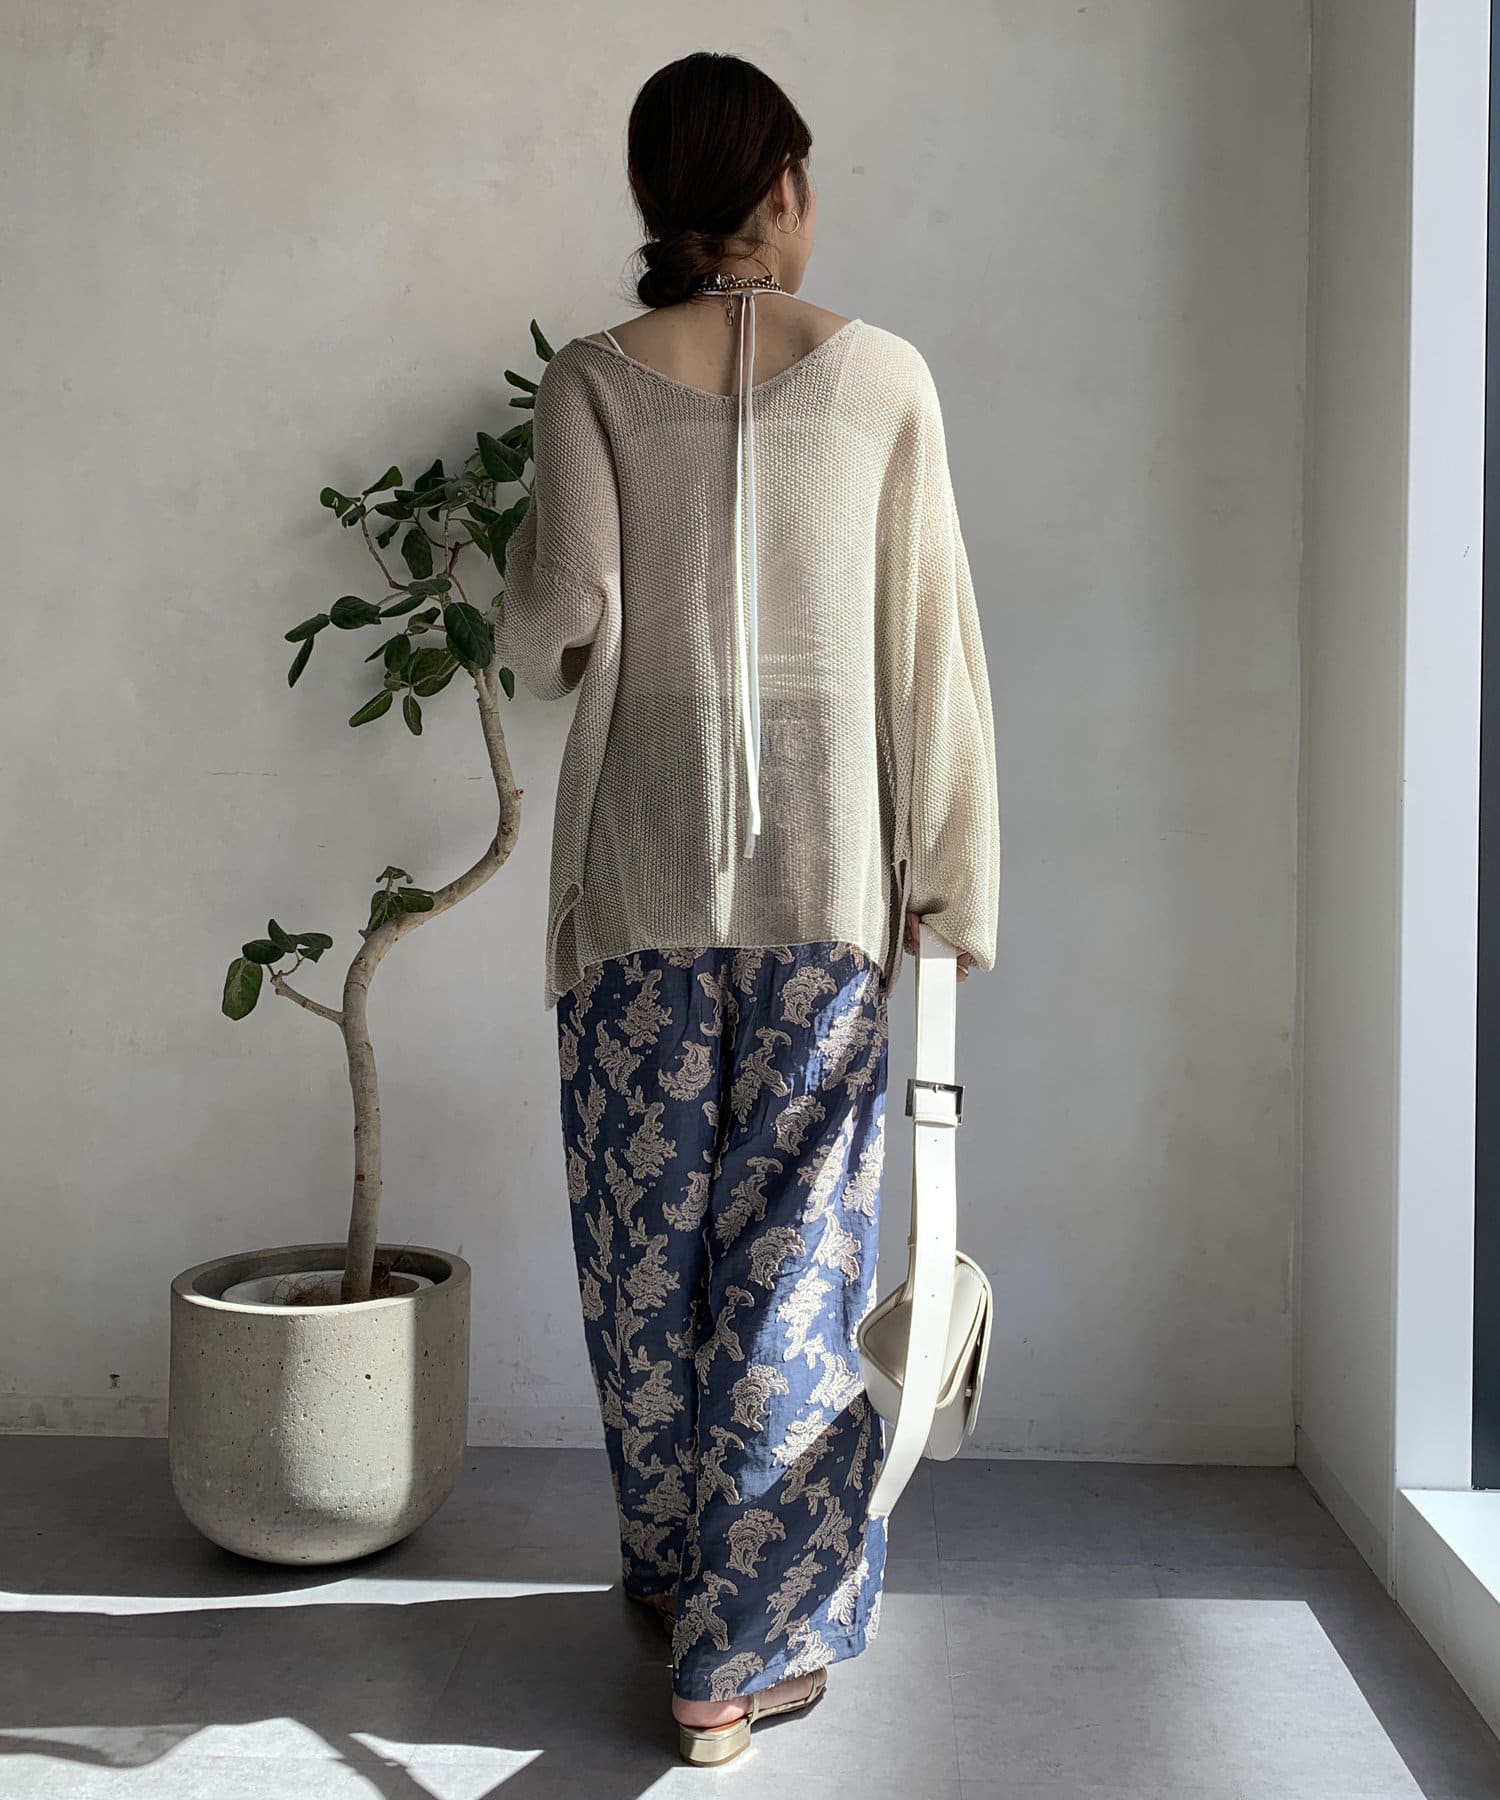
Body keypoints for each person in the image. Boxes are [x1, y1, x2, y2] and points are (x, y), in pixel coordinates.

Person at [497, 49, 1000, 1768]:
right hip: (827, 893)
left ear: (657, 197)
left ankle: (674, 1582)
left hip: (633, 884)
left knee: (647, 1260)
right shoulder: (884, 379)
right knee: (793, 1261)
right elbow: (933, 652)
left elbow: (555, 631)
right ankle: (741, 1642)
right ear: (781, 185)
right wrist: (952, 879)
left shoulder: (588, 378)